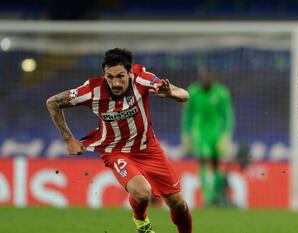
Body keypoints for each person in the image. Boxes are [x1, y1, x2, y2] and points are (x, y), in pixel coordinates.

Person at [46, 48, 192, 233]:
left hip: (148, 149)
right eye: (109, 76)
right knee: (143, 192)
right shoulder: (92, 91)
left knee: (178, 204)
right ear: (104, 75)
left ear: (130, 73)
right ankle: (142, 223)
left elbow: (184, 94)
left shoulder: (141, 79)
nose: (115, 82)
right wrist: (69, 139)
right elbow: (52, 102)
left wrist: (171, 93)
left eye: (120, 76)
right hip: (115, 150)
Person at [181, 70, 234, 206]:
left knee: (216, 164)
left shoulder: (221, 93)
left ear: (213, 79)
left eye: (208, 78)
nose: (205, 81)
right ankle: (207, 197)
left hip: (216, 133)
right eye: (203, 78)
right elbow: (187, 115)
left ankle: (216, 195)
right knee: (204, 160)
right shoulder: (192, 92)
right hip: (199, 133)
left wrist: (226, 136)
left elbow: (227, 116)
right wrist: (186, 135)